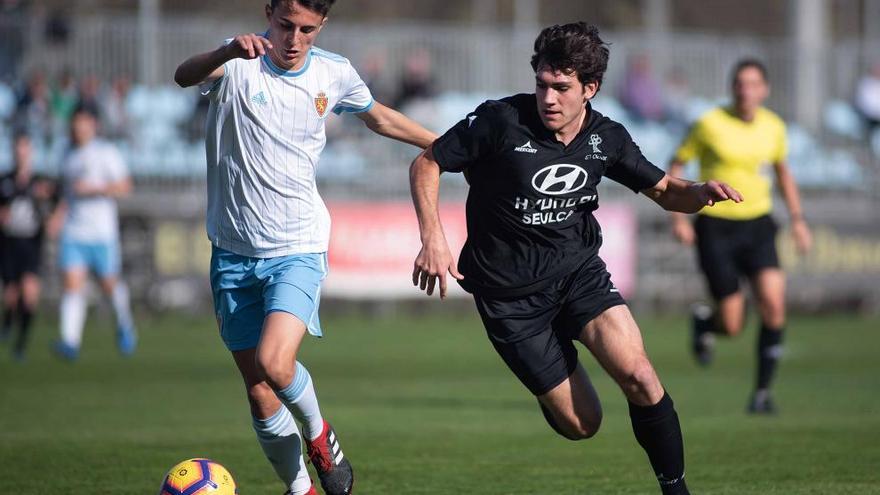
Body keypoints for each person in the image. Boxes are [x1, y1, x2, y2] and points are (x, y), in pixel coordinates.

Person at [410, 22, 742, 495]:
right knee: (583, 425)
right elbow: (427, 162)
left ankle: (676, 489)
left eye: (561, 88)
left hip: (577, 275)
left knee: (640, 376)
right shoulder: (499, 121)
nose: (548, 97)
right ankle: (554, 379)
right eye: (542, 84)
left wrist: (699, 193)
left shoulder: (607, 138)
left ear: (590, 89)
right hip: (510, 300)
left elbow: (666, 191)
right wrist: (433, 239)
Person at [173, 1, 435, 494]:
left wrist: (443, 145)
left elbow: (378, 117)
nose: (294, 39)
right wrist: (226, 49)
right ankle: (301, 489)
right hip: (231, 250)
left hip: (297, 246)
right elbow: (183, 76)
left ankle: (318, 433)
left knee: (276, 364)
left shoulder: (334, 73)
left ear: (322, 26)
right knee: (258, 391)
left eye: (307, 30)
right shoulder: (235, 63)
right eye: (285, 25)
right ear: (268, 13)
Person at [668, 59, 812, 414]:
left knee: (774, 306)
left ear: (764, 90)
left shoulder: (774, 127)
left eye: (753, 84)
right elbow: (677, 164)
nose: (746, 90)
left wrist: (797, 219)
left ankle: (762, 394)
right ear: (732, 88)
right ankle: (706, 322)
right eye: (740, 84)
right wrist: (679, 218)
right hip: (716, 227)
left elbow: (783, 172)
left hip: (759, 225)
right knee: (732, 325)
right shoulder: (709, 124)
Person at [53, 103, 137, 360]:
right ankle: (70, 341)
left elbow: (125, 186)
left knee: (109, 285)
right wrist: (58, 215)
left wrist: (94, 188)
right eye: (74, 122)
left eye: (82, 122)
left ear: (93, 125)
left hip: (102, 233)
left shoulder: (106, 152)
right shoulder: (66, 153)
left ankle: (124, 324)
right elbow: (67, 192)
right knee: (72, 285)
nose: (77, 127)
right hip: (74, 231)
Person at [0, 132, 58, 361]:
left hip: (32, 243)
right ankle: (8, 322)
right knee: (11, 295)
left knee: (30, 293)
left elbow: (57, 206)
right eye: (18, 148)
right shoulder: (5, 181)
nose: (21, 152)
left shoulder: (40, 183)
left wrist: (50, 218)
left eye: (25, 147)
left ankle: (21, 345)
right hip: (8, 243)